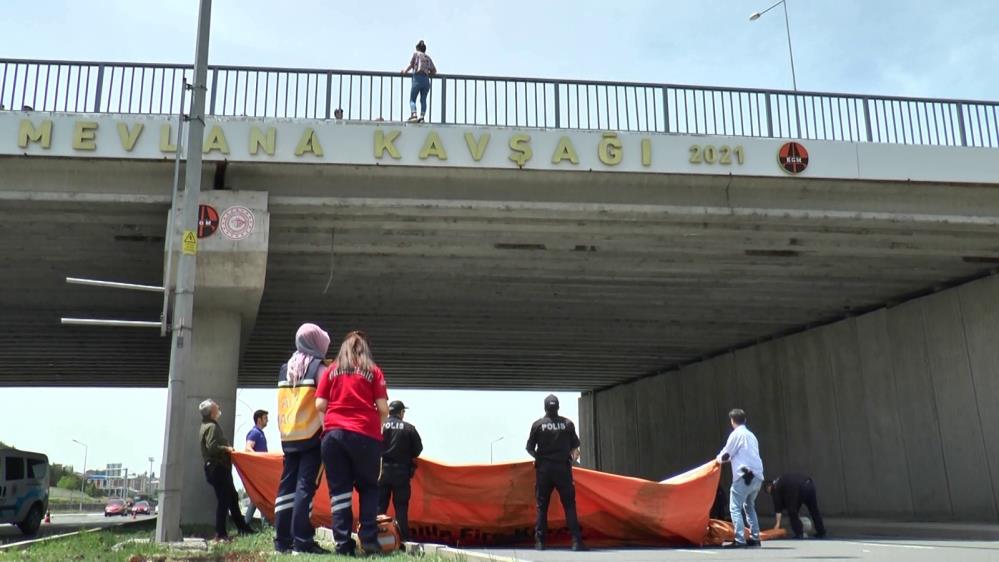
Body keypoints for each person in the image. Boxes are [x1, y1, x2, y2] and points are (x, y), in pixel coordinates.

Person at [316, 331, 390, 556]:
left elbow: (320, 403)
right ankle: (368, 540)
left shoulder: (331, 370)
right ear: (366, 349)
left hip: (334, 436)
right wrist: (376, 426)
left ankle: (342, 544)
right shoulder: (373, 371)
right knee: (368, 487)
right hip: (365, 435)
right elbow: (384, 409)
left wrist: (328, 426)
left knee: (339, 492)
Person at [274, 323, 331, 555]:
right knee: (305, 487)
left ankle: (282, 541)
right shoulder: (318, 368)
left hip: (289, 435)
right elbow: (326, 404)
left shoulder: (286, 368)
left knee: (286, 487)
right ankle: (302, 541)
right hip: (312, 436)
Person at [526, 394, 585, 552]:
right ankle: (576, 542)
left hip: (544, 471)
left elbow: (530, 448)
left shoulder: (538, 425)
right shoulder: (567, 424)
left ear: (545, 407)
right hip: (563, 471)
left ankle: (539, 543)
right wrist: (569, 461)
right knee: (569, 506)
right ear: (558, 407)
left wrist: (539, 458)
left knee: (541, 507)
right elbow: (576, 450)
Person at [198, 398, 255, 541]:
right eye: (216, 406)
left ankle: (242, 528)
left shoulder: (209, 425)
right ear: (212, 412)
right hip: (217, 468)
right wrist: (227, 448)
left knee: (232, 498)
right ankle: (221, 533)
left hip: (217, 468)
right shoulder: (211, 427)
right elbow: (212, 448)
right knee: (225, 500)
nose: (218, 406)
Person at [717, 408, 764, 549]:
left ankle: (740, 539)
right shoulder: (752, 436)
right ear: (745, 420)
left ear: (732, 421)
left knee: (735, 507)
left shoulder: (736, 435)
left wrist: (717, 461)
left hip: (744, 476)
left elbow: (726, 454)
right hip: (757, 476)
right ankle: (755, 538)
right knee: (749, 506)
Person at [378, 400, 423, 541]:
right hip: (401, 473)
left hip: (381, 472)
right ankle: (403, 540)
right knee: (401, 508)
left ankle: (376, 537)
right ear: (401, 412)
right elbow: (418, 450)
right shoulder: (409, 428)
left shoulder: (379, 427)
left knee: (379, 507)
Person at [765, 473, 826, 539]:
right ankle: (821, 532)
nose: (771, 494)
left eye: (769, 492)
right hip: (809, 484)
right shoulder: (780, 480)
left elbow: (778, 510)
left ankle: (799, 533)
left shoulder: (775, 488)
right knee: (814, 510)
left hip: (798, 488)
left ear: (769, 487)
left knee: (792, 511)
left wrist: (777, 524)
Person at [242, 409, 268, 528]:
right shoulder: (255, 433)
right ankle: (264, 526)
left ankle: (245, 525)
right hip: (257, 472)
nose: (267, 420)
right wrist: (259, 460)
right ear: (259, 419)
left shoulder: (260, 433)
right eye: (265, 418)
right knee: (261, 497)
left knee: (256, 499)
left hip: (260, 471)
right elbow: (248, 448)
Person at [401, 40, 437, 122]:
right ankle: (422, 117)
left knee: (412, 99)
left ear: (417, 48)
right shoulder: (428, 58)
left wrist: (405, 71)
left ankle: (414, 115)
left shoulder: (416, 54)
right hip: (426, 80)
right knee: (423, 99)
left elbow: (411, 65)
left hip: (417, 78)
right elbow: (434, 71)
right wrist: (428, 72)